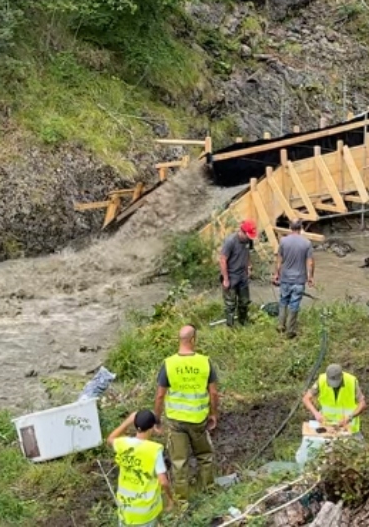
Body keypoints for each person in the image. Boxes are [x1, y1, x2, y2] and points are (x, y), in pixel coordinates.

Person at [153, 325, 219, 498]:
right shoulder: (204, 362)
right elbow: (213, 392)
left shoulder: (169, 364)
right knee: (204, 455)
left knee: (179, 462)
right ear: (193, 340)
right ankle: (210, 491)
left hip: (175, 422)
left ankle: (182, 502)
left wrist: (157, 419)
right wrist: (213, 414)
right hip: (198, 420)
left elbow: (160, 395)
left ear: (179, 340)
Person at [109, 409, 176, 525]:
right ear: (152, 427)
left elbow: (110, 439)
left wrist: (127, 421)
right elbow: (163, 482)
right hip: (146, 512)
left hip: (125, 509)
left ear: (135, 425)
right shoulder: (154, 450)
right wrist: (170, 498)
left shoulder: (123, 444)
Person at [272, 219, 314, 339]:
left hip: (285, 278)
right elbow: (310, 263)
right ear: (301, 228)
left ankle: (281, 325)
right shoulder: (307, 243)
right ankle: (290, 331)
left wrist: (276, 274)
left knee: (283, 301)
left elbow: (279, 260)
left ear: (290, 227)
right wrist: (310, 277)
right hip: (299, 280)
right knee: (294, 304)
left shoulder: (283, 241)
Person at [302, 364, 366, 435]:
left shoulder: (351, 381)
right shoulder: (321, 380)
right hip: (327, 428)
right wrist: (316, 413)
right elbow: (306, 398)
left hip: (349, 429)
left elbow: (362, 404)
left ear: (341, 376)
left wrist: (350, 417)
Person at [217, 220, 257, 327]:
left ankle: (243, 321)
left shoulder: (248, 241)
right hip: (231, 276)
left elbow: (247, 253)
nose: (249, 238)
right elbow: (222, 260)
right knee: (230, 304)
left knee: (244, 301)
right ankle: (230, 326)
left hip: (242, 276)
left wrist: (249, 266)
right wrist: (225, 279)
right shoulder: (230, 241)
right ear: (242, 231)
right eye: (248, 235)